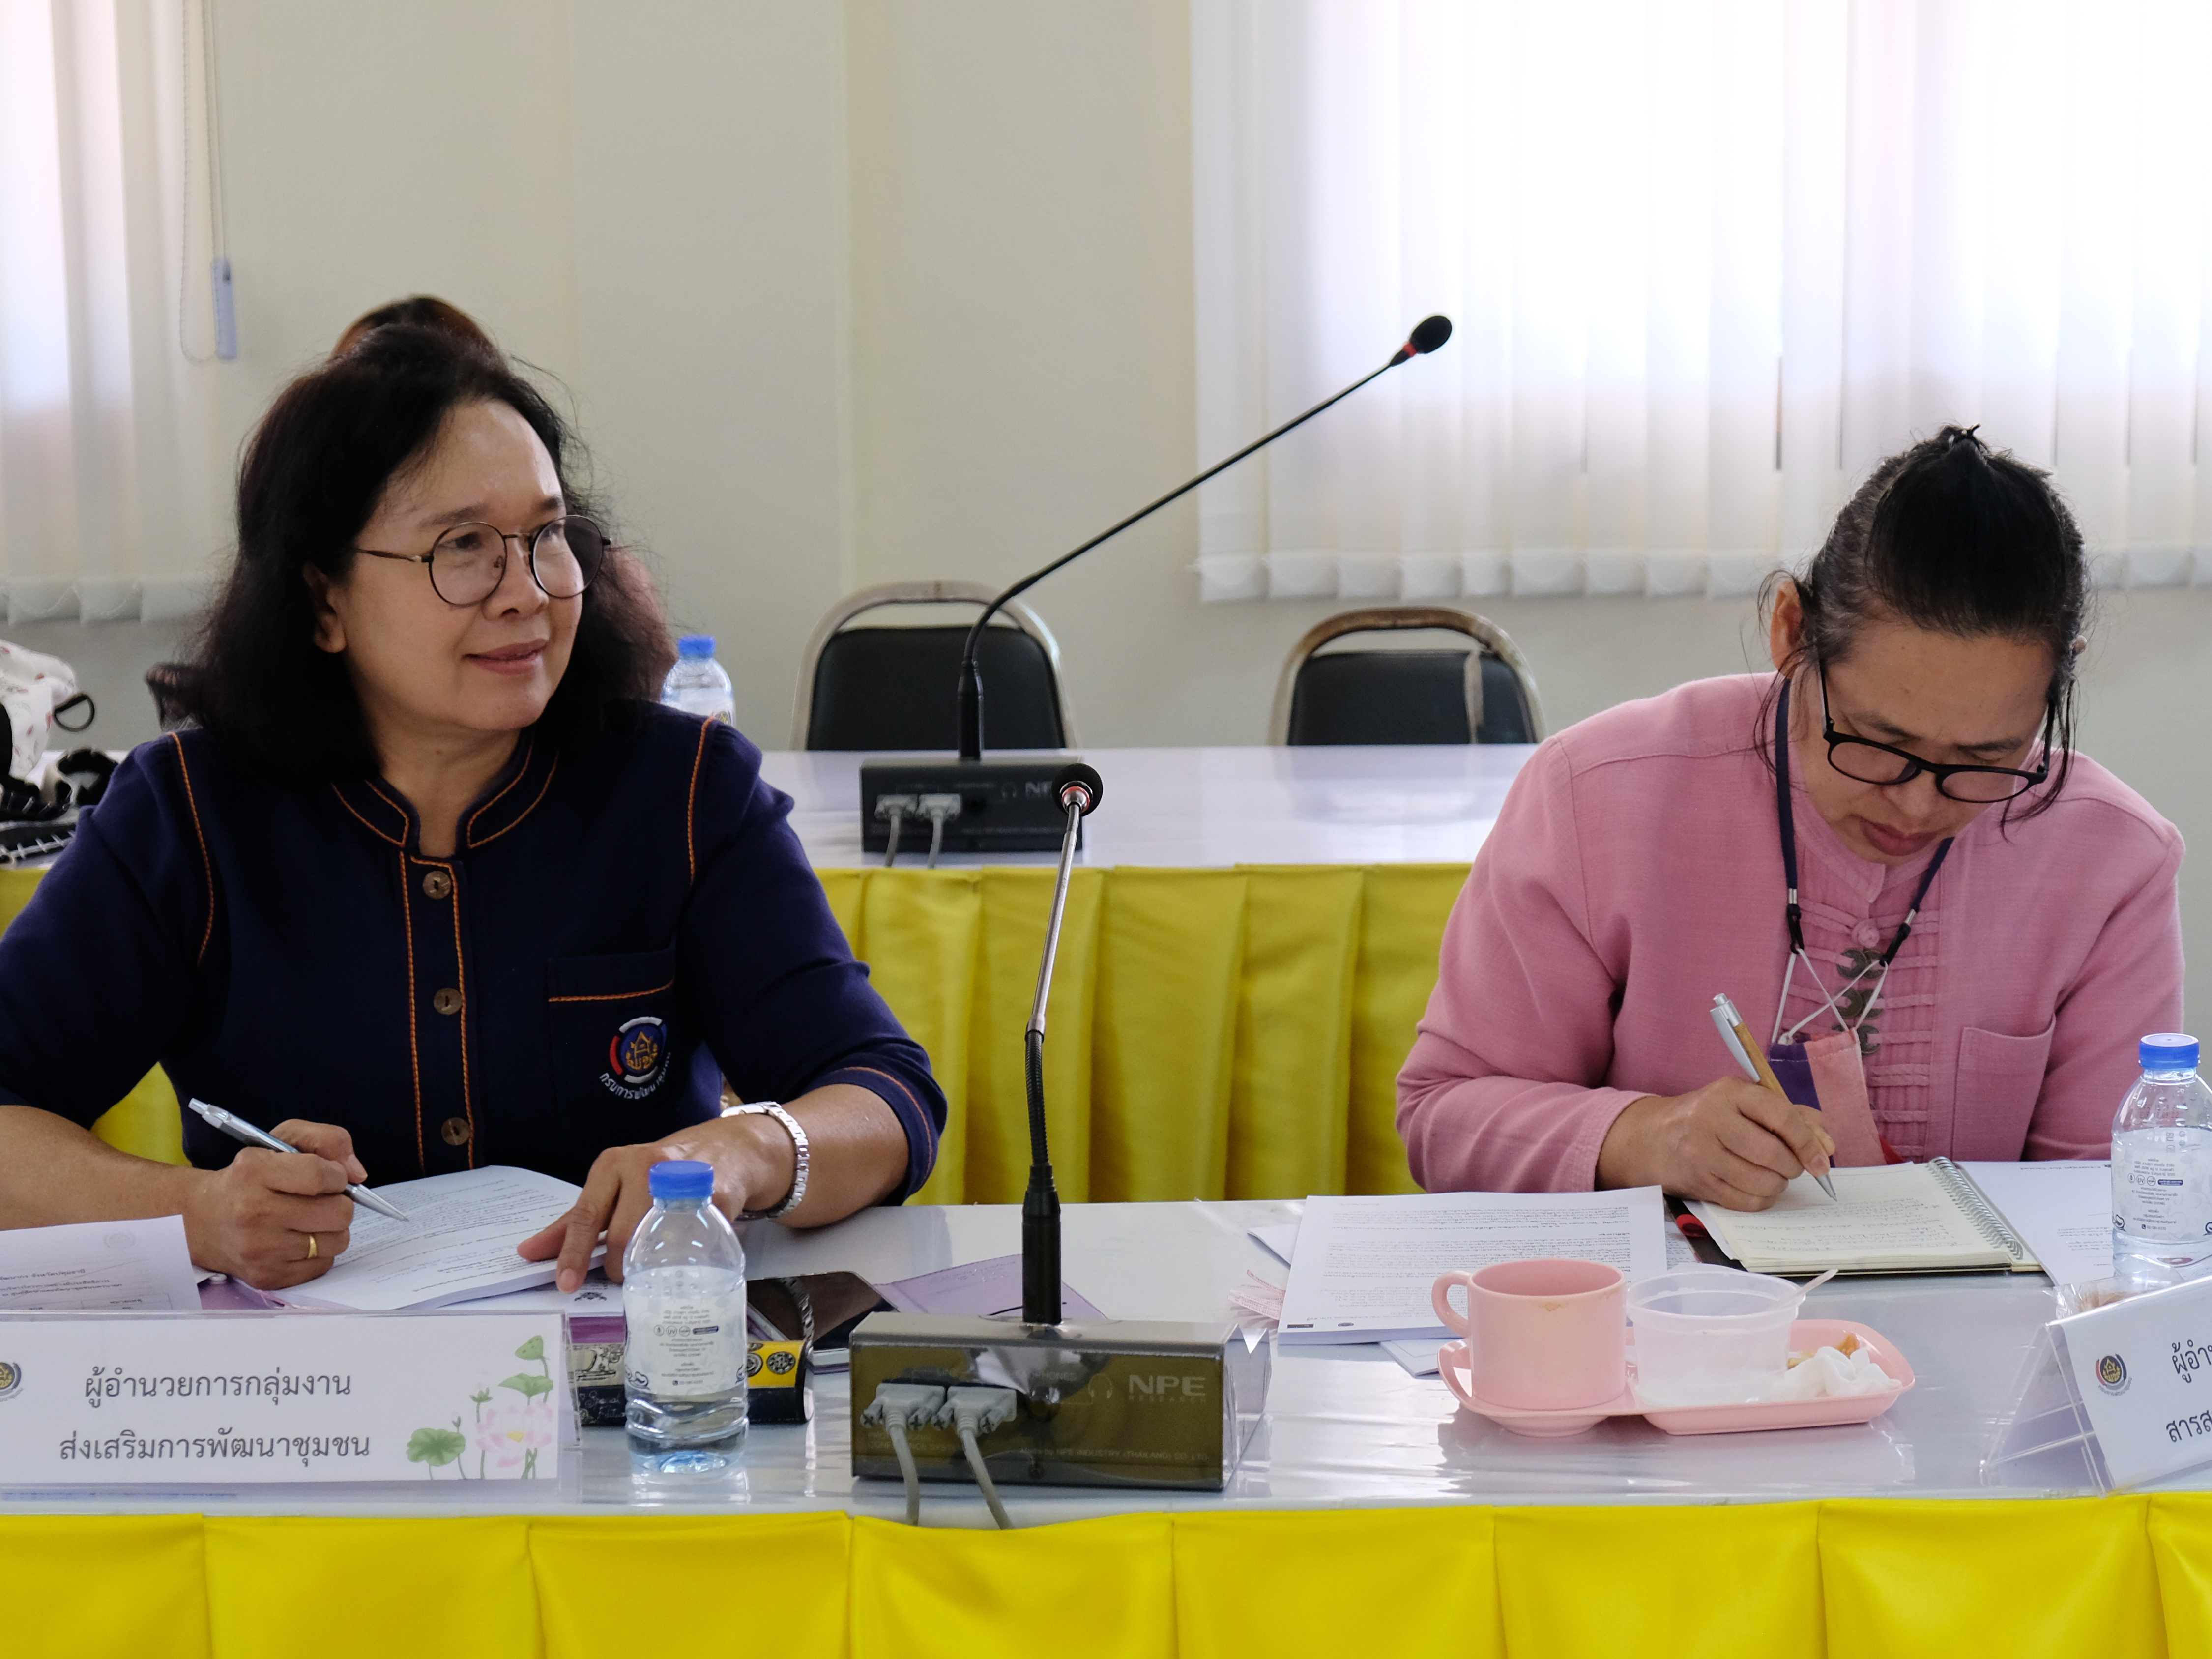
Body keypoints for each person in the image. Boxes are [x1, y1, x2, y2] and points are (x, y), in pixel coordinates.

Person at [0, 323, 944, 1287]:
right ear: (322, 600)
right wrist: (196, 1213)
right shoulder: (190, 814)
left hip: (627, 1379)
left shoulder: (683, 790)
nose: (526, 593)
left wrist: (742, 1152)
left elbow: (888, 1097)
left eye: (545, 538)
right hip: (295, 1402)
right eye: (464, 548)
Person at [1398, 427, 2184, 1210]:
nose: (1917, 804)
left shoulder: (2112, 858)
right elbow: (1443, 1115)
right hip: (1670, 1321)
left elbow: (2104, 1202)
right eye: (1880, 743)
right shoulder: (1597, 794)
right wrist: (1643, 1136)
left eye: (1983, 759)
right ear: (1790, 632)